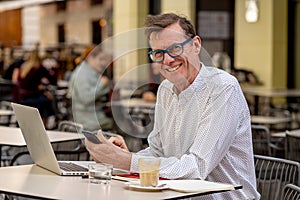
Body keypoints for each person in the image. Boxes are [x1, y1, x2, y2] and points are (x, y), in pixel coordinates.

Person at [85, 13, 260, 199]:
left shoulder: (223, 88)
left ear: (196, 45)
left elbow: (197, 166)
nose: (167, 60)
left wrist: (127, 161)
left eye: (175, 48)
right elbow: (157, 151)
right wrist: (128, 156)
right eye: (159, 53)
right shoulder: (166, 89)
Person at [68, 45, 114, 131]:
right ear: (90, 58)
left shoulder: (92, 72)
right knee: (120, 123)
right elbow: (86, 98)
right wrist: (101, 85)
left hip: (93, 115)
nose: (103, 63)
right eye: (100, 59)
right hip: (87, 119)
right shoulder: (82, 74)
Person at [12, 50, 57, 125]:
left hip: (22, 97)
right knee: (48, 100)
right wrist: (54, 69)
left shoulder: (23, 67)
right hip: (33, 97)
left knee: (46, 97)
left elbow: (20, 82)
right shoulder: (38, 67)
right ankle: (44, 125)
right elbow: (52, 80)